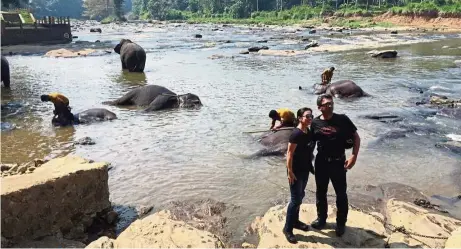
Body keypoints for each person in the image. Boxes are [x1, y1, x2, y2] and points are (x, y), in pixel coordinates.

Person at [309, 94, 361, 237]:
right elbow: (311, 143)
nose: (330, 105)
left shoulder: (342, 119)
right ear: (319, 107)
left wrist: (354, 157)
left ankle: (341, 223)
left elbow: (356, 137)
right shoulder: (315, 123)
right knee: (320, 192)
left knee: (341, 194)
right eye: (326, 104)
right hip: (321, 162)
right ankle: (321, 219)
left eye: (331, 103)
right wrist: (306, 160)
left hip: (339, 162)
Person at [282, 107, 315, 244]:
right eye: (307, 116)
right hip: (295, 171)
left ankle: (295, 221)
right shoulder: (296, 134)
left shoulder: (308, 131)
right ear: (300, 118)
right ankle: (287, 229)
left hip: (305, 169)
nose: (310, 118)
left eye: (311, 116)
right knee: (295, 199)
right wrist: (289, 171)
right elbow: (289, 153)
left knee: (300, 196)